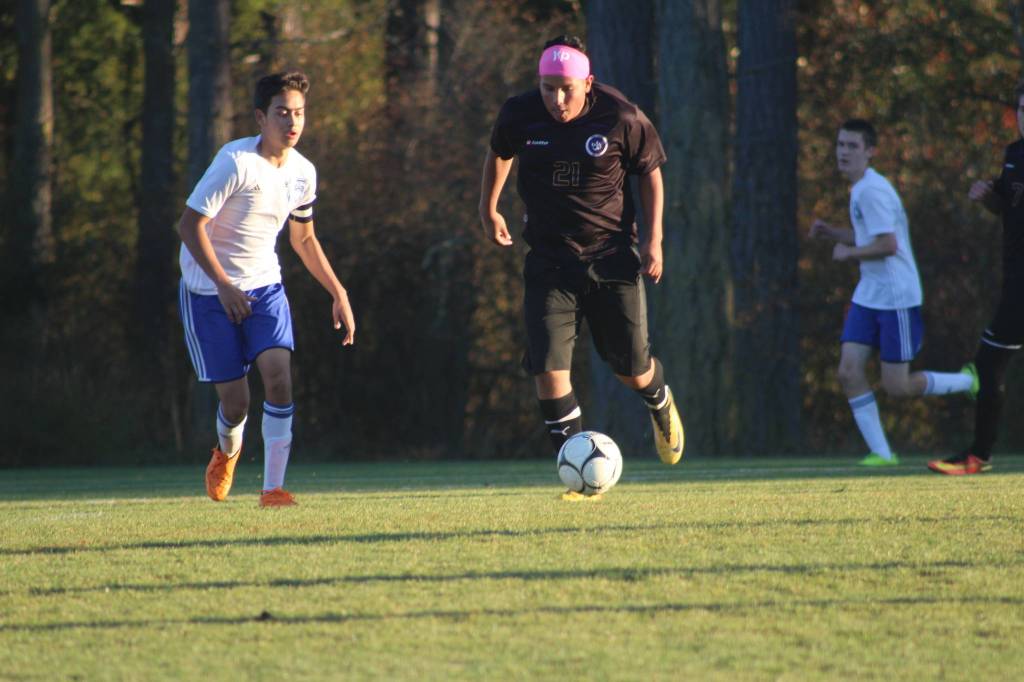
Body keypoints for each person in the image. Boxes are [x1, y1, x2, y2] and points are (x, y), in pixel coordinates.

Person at [478, 35, 684, 478]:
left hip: (611, 258)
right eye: (547, 87)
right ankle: (577, 470)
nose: (555, 98)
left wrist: (654, 239)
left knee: (632, 370)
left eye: (565, 88)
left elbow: (651, 174)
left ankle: (659, 399)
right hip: (550, 261)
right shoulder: (520, 113)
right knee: (550, 372)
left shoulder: (621, 116)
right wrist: (488, 207)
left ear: (587, 83)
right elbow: (500, 152)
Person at [177, 71, 355, 507]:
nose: (292, 122)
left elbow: (304, 238)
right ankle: (227, 452)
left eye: (299, 113)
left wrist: (338, 292)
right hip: (208, 293)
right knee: (236, 403)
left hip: (265, 288)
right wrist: (223, 286)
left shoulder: (303, 173)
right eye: (281, 113)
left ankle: (272, 489)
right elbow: (188, 226)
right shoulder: (235, 163)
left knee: (279, 378)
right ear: (260, 117)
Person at [810, 119, 977, 467]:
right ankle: (883, 455)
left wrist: (847, 253)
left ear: (870, 152)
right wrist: (833, 234)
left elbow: (888, 244)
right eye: (840, 145)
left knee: (897, 387)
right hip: (869, 294)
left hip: (896, 298)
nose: (843, 152)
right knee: (848, 371)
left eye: (852, 146)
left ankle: (968, 380)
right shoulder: (860, 189)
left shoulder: (872, 190)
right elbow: (869, 236)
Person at [928, 83, 1024, 475]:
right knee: (988, 364)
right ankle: (977, 455)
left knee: (988, 361)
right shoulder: (1014, 154)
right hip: (1016, 278)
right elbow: (1008, 205)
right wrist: (989, 195)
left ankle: (977, 454)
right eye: (1022, 107)